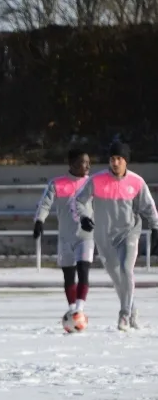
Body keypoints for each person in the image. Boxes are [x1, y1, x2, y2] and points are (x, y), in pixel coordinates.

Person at [71, 141, 158, 330]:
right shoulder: (96, 180)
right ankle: (132, 309)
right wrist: (85, 216)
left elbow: (149, 207)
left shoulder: (136, 182)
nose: (115, 163)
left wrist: (155, 227)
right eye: (112, 159)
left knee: (127, 270)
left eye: (119, 159)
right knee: (118, 278)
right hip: (104, 238)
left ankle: (124, 315)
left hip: (129, 233)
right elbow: (79, 201)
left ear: (126, 161)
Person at [33, 148, 92, 328]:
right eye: (84, 162)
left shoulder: (92, 183)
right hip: (65, 238)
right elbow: (45, 203)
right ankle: (72, 308)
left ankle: (79, 310)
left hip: (86, 236)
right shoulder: (57, 183)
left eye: (89, 162)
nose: (88, 166)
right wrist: (39, 221)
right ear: (72, 164)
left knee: (83, 271)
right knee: (68, 275)